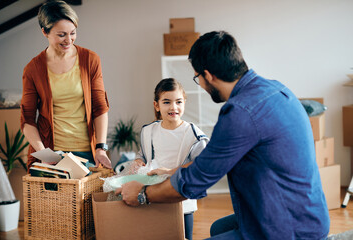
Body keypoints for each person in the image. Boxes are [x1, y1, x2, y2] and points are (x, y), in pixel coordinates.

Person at [116, 31, 330, 239]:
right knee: (219, 227)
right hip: (307, 214)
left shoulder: (240, 113)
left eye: (197, 77)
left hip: (291, 229)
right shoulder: (274, 89)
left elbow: (196, 182)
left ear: (208, 75)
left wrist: (143, 194)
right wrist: (169, 172)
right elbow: (210, 161)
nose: (199, 84)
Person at [20, 0, 111, 170]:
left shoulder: (90, 60)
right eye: (62, 35)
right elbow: (27, 119)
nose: (69, 40)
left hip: (88, 153)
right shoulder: (33, 69)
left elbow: (100, 107)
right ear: (44, 32)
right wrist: (45, 155)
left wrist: (101, 148)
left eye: (73, 33)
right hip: (51, 152)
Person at [129, 78, 209, 240]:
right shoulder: (148, 131)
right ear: (156, 105)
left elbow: (202, 167)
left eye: (178, 102)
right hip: (154, 197)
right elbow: (142, 154)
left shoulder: (193, 135)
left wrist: (169, 172)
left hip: (181, 201)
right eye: (166, 102)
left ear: (184, 103)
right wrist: (138, 161)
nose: (173, 107)